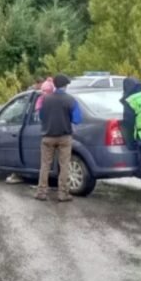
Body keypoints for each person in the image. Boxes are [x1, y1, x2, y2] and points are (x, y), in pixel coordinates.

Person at [35, 74, 82, 202]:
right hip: (64, 137)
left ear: (54, 85)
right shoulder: (70, 100)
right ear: (65, 86)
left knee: (45, 165)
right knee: (64, 165)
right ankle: (63, 193)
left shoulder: (45, 99)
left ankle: (41, 192)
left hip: (47, 137)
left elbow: (40, 117)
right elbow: (77, 119)